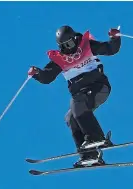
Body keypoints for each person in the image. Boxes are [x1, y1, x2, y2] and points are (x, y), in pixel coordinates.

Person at [28, 25, 121, 168]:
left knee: (77, 103)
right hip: (81, 95)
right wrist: (37, 74)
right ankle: (89, 155)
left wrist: (114, 38)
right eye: (64, 46)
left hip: (98, 87)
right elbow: (47, 77)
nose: (68, 48)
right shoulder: (61, 59)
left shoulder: (86, 46)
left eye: (70, 44)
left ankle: (96, 137)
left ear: (75, 39)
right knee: (70, 118)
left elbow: (110, 49)